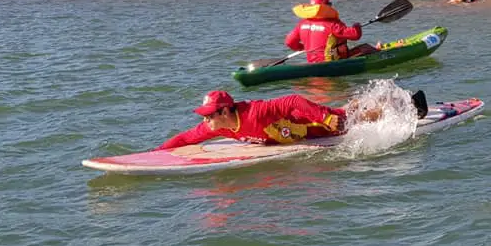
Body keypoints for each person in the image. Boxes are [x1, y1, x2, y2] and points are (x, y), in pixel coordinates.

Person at [159, 88, 430, 150]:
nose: (206, 121)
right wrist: (158, 153)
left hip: (314, 126)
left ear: (225, 112)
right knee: (349, 112)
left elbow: (292, 100)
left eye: (209, 115)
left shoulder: (255, 112)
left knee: (349, 119)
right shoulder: (221, 128)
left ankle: (408, 104)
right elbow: (187, 137)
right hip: (296, 129)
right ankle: (364, 101)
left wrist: (323, 117)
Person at [284, 0, 363, 63]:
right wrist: (357, 26)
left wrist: (303, 47)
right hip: (331, 63)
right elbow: (355, 35)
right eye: (329, 3)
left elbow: (289, 42)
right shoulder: (333, 24)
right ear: (326, 6)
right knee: (366, 49)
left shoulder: (302, 24)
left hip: (311, 63)